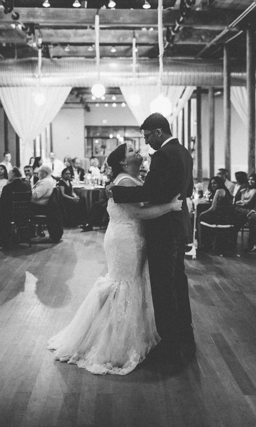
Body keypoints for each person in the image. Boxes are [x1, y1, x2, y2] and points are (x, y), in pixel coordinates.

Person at [48, 143, 182, 375]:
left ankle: (125, 336)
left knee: (130, 284)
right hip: (125, 238)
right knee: (124, 284)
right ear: (123, 161)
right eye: (131, 150)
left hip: (132, 235)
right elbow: (139, 213)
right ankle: (115, 344)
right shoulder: (125, 181)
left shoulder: (130, 180)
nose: (137, 151)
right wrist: (170, 206)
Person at [109, 113, 195, 362]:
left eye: (147, 136)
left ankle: (170, 347)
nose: (146, 143)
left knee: (163, 288)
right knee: (178, 281)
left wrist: (115, 192)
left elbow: (151, 191)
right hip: (178, 226)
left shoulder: (164, 155)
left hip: (164, 230)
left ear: (158, 132)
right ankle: (184, 336)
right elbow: (184, 190)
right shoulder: (183, 152)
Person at [0, 167, 32, 246]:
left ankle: (1, 240)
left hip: (10, 214)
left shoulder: (8, 187)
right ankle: (20, 236)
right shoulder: (27, 185)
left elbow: (2, 203)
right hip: (25, 213)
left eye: (9, 174)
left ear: (13, 175)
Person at [197, 176, 234, 254]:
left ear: (219, 183)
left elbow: (213, 208)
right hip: (227, 218)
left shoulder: (219, 191)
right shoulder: (225, 191)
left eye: (215, 183)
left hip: (220, 218)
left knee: (200, 217)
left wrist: (202, 213)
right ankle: (207, 242)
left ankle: (202, 244)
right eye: (211, 183)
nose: (213, 185)